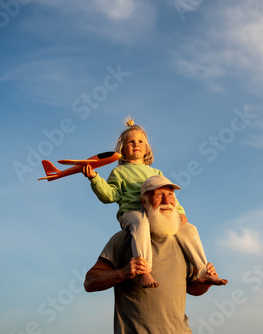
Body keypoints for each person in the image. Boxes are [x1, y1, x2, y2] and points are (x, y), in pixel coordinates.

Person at [82, 117, 226, 288]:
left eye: (141, 141)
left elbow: (167, 194)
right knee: (140, 221)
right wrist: (95, 178)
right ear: (122, 149)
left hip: (156, 214)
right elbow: (110, 196)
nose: (136, 144)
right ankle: (144, 270)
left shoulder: (155, 171)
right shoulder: (119, 172)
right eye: (131, 142)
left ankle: (203, 272)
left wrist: (179, 213)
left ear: (146, 149)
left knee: (190, 229)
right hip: (132, 213)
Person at [84, 176, 227, 333]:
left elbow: (193, 289)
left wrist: (205, 283)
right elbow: (90, 282)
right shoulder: (124, 238)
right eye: (159, 195)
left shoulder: (185, 242)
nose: (166, 200)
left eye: (170, 194)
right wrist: (122, 273)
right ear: (144, 202)